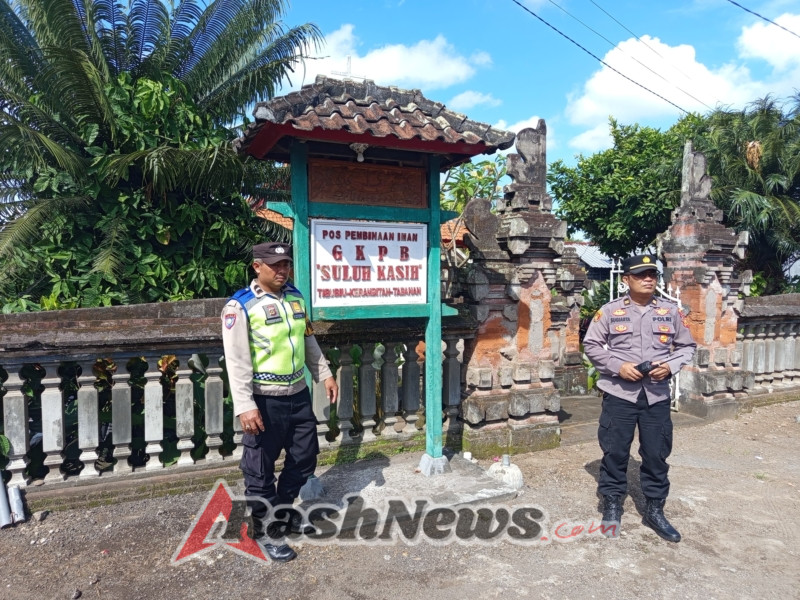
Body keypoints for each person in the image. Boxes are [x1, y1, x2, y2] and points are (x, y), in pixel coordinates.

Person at [221, 242, 338, 562]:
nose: (283, 270)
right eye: (276, 265)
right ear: (257, 266)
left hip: (297, 395)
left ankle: (283, 513)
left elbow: (308, 339)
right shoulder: (240, 307)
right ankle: (267, 530)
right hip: (263, 400)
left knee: (305, 457)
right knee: (258, 471)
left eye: (286, 264)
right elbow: (236, 360)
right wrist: (245, 405)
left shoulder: (296, 298)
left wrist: (324, 373)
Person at [583, 254, 696, 543]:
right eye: (641, 275)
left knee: (657, 454)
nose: (648, 279)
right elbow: (592, 345)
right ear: (626, 280)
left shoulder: (670, 312)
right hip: (620, 393)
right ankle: (612, 505)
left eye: (652, 275)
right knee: (616, 452)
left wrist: (669, 367)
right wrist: (618, 367)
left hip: (656, 396)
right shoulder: (609, 312)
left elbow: (687, 347)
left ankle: (655, 510)